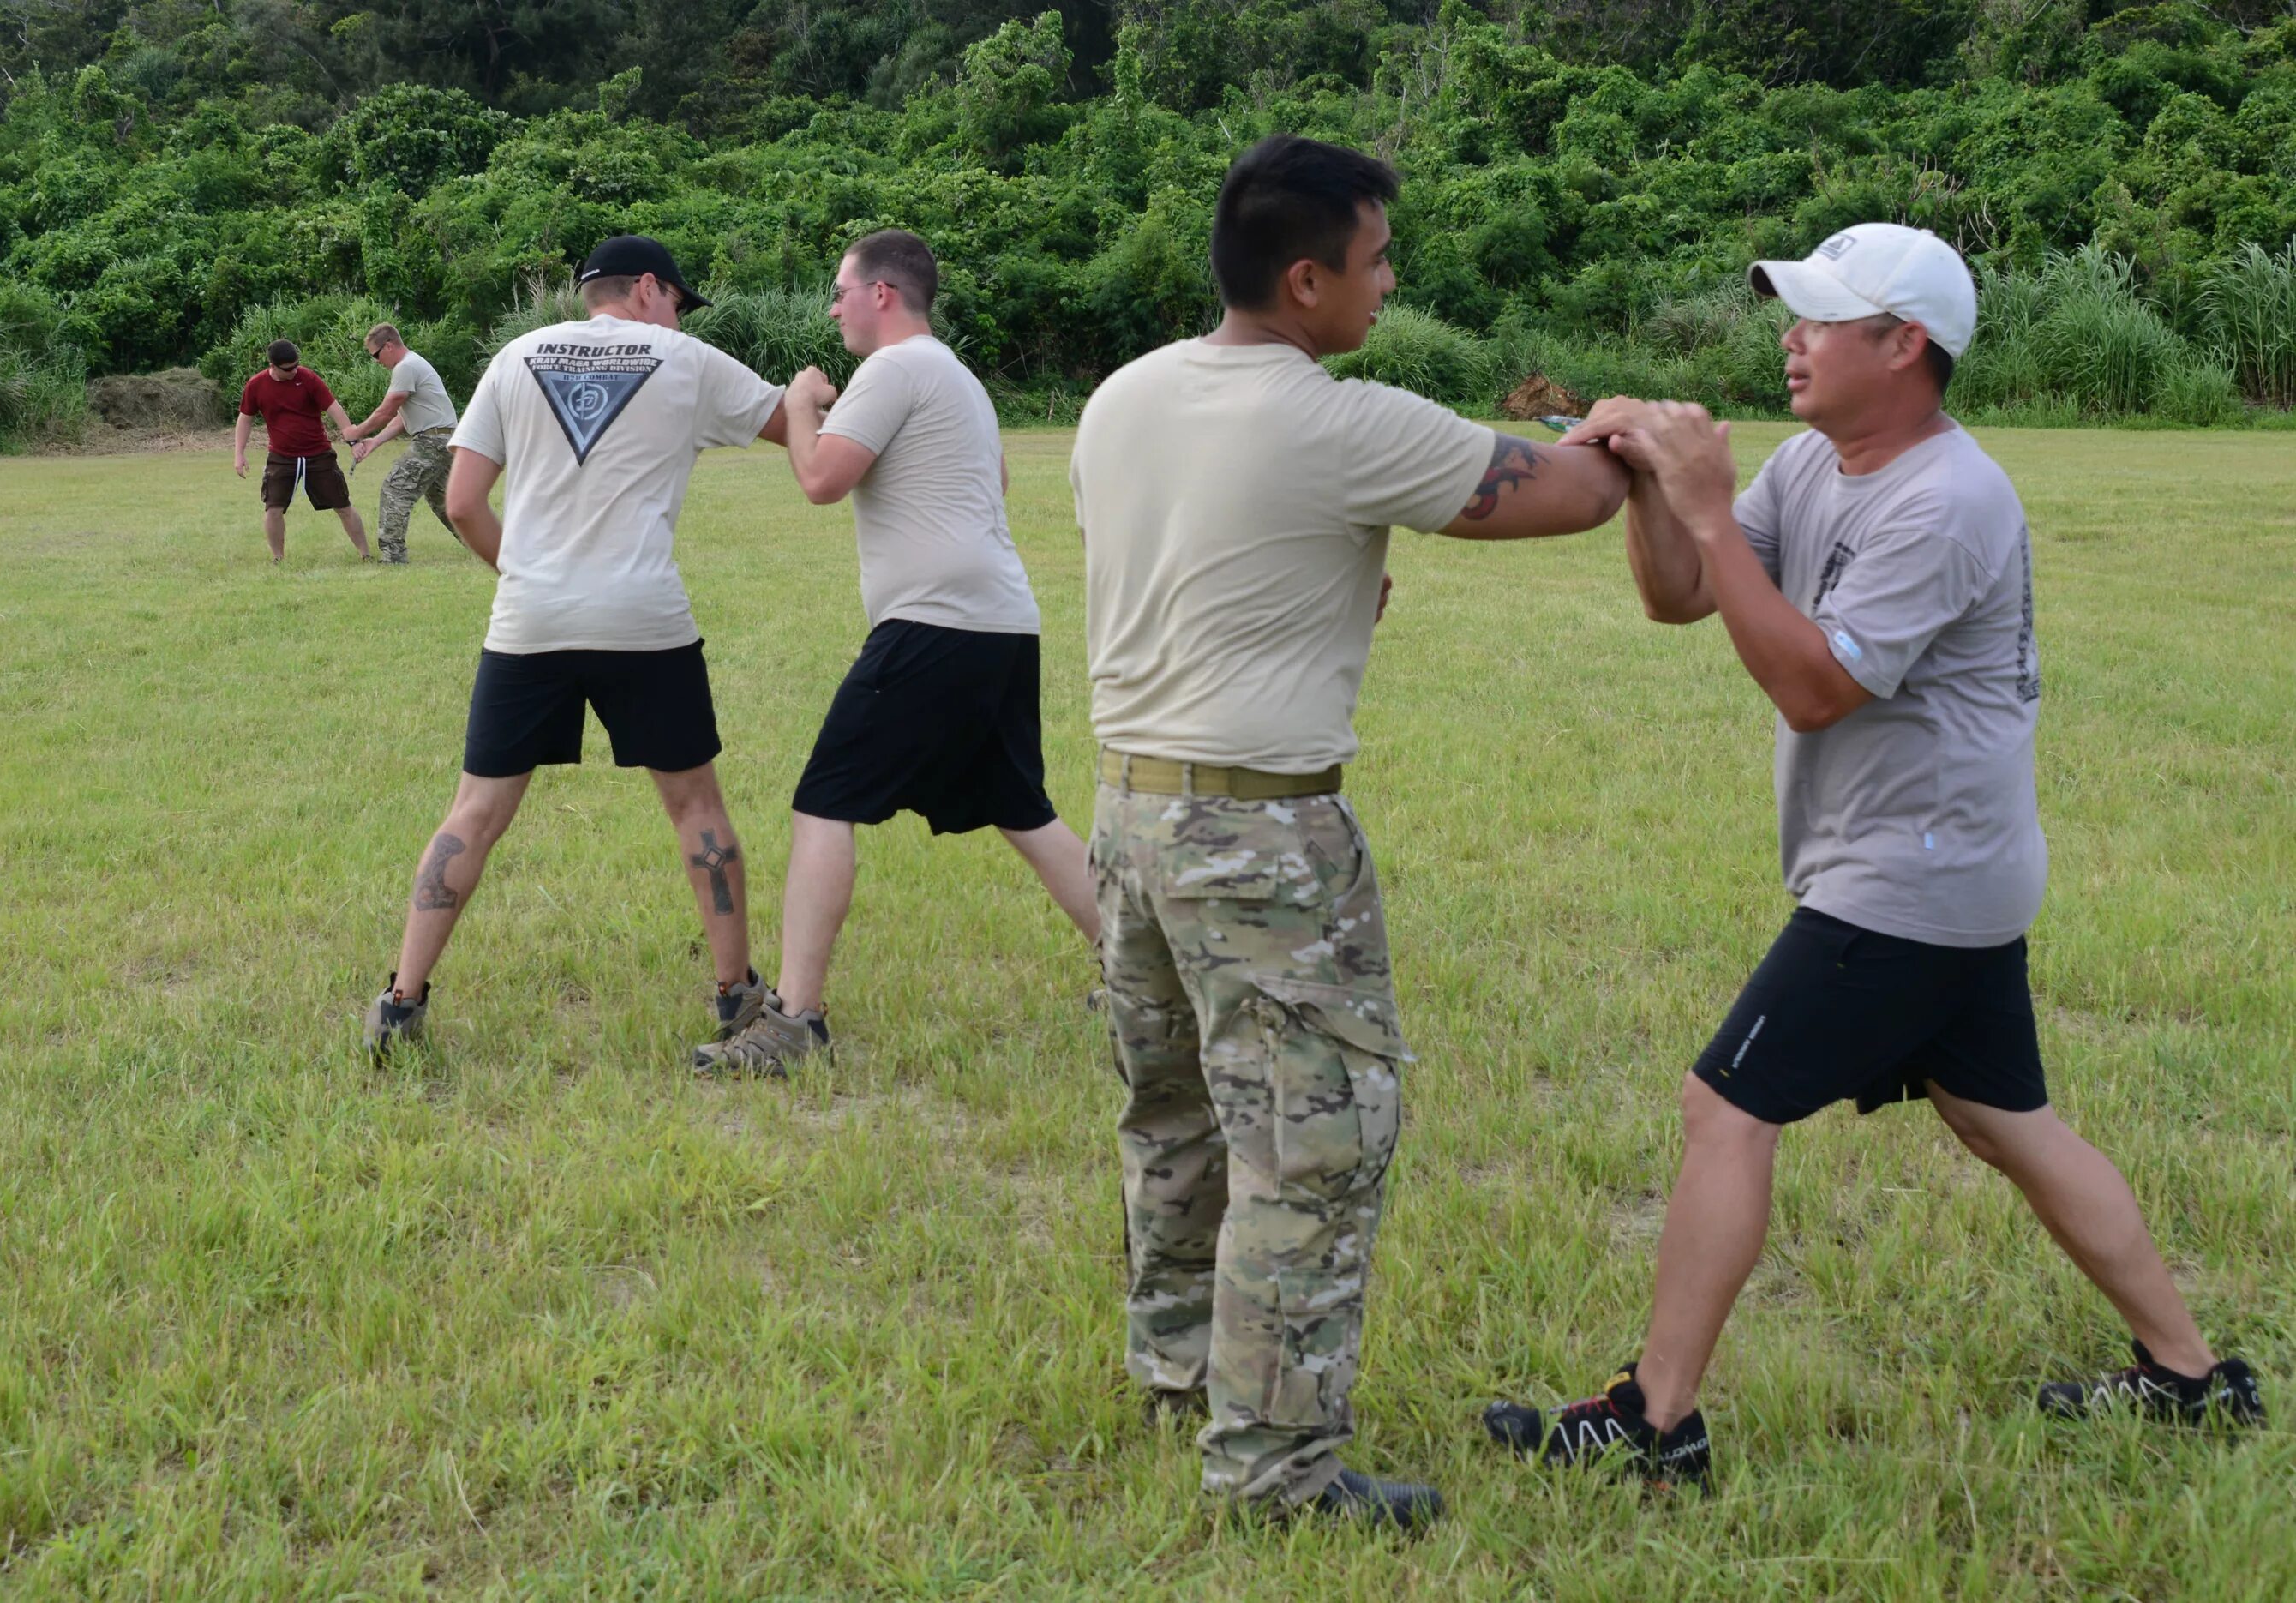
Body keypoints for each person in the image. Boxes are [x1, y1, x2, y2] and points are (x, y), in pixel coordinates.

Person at [1484, 224, 2265, 1487]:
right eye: (1793, 314)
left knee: (1725, 1104)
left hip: (1913, 878)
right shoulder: (1814, 463)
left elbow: (1813, 687)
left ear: (1903, 345)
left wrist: (1700, 506)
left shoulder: (1949, 498)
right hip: (1951, 867)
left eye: (1821, 319)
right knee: (2006, 1118)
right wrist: (1652, 489)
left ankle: (1655, 1416)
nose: (1791, 337)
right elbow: (1685, 596)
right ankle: (2187, 1374)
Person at [1070, 135, 1629, 1528]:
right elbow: (1573, 493)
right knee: (1311, 1149)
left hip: (1130, 812)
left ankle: (1181, 1368)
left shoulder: (1124, 397)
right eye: (1377, 261)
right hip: (1259, 837)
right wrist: (1628, 436)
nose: (1390, 283)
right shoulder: (1339, 419)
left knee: (1176, 1115)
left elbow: (1217, 570)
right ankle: (1274, 1472)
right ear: (1307, 279)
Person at [362, 236, 794, 1060]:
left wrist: (523, 574)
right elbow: (798, 427)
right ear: (645, 289)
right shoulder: (685, 359)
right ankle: (738, 997)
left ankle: (400, 1003)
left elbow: (461, 501)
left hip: (531, 622)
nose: (678, 316)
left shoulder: (516, 355)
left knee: (475, 814)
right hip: (646, 620)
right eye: (677, 299)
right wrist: (813, 392)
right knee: (696, 807)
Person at [695, 230, 1099, 1076]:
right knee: (1022, 808)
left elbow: (821, 479)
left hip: (935, 624)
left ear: (883, 293)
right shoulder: (953, 377)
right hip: (998, 623)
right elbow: (991, 486)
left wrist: (803, 402)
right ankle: (1150, 973)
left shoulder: (894, 369)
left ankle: (796, 1022)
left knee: (824, 801)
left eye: (840, 290)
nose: (832, 305)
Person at [234, 339, 372, 563]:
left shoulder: (307, 378)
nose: (294, 371)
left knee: (343, 505)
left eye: (296, 365)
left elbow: (334, 409)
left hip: (318, 453)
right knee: (273, 508)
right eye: (288, 368)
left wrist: (353, 441)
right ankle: (278, 558)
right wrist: (239, 454)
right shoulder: (256, 385)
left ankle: (365, 554)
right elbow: (245, 419)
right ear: (273, 365)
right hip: (281, 456)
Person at [345, 323, 462, 564]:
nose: (376, 361)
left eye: (376, 355)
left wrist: (356, 431)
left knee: (396, 489)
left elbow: (386, 411)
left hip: (433, 441)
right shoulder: (412, 365)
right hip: (444, 439)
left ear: (388, 346)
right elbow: (401, 417)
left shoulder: (406, 367)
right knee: (445, 501)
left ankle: (393, 556)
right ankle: (490, 545)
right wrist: (374, 442)